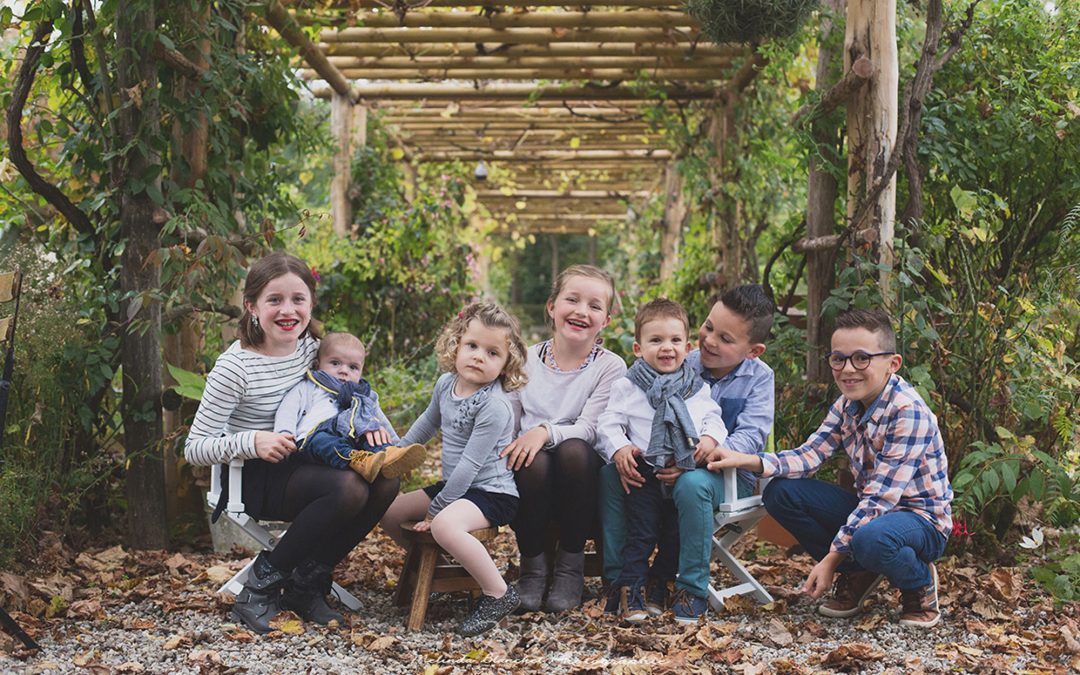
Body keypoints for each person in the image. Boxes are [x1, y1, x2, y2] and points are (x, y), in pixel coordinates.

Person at [184, 253, 400, 634]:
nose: (288, 311)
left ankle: (306, 585)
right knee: (349, 488)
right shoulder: (234, 368)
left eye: (298, 299)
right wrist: (254, 441)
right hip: (251, 475)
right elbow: (195, 447)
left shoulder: (310, 349)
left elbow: (337, 397)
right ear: (251, 306)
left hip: (306, 461)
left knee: (386, 481)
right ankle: (257, 590)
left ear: (311, 304)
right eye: (274, 300)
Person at [709, 308, 952, 628]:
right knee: (780, 492)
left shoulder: (908, 413)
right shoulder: (847, 404)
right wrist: (751, 461)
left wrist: (830, 559)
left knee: (871, 539)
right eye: (839, 359)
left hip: (921, 522)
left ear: (892, 364)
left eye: (862, 358)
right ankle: (858, 573)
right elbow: (811, 454)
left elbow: (880, 500)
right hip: (873, 517)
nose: (848, 369)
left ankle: (918, 582)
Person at [598, 284, 776, 622]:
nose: (710, 341)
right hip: (660, 468)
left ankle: (690, 587)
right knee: (610, 474)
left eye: (725, 339)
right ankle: (620, 579)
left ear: (753, 351)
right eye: (709, 327)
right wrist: (623, 450)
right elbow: (627, 414)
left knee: (690, 484)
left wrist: (697, 458)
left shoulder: (759, 378)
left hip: (726, 472)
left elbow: (750, 437)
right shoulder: (677, 360)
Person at [380, 302, 529, 637]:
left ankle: (499, 594)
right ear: (457, 344)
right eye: (472, 346)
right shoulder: (446, 385)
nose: (478, 356)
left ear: (507, 364)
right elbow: (426, 425)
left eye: (492, 353)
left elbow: (471, 465)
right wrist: (396, 452)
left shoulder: (495, 406)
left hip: (492, 492)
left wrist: (435, 511)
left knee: (444, 526)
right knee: (390, 512)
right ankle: (443, 571)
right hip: (456, 486)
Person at [501, 265, 627, 613]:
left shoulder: (611, 367)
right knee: (532, 458)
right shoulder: (523, 360)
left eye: (594, 305)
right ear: (552, 307)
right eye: (572, 299)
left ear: (607, 320)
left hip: (582, 486)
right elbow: (508, 426)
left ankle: (570, 569)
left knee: (573, 449)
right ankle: (533, 570)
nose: (581, 311)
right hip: (529, 485)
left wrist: (543, 432)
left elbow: (591, 428)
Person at [596, 298, 728, 622]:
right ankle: (632, 588)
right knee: (641, 533)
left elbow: (714, 420)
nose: (666, 348)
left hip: (683, 471)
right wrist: (620, 448)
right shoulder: (628, 386)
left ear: (688, 346)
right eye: (656, 340)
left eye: (674, 340)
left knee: (674, 533)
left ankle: (660, 583)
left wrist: (709, 441)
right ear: (639, 348)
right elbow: (609, 422)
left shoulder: (696, 388)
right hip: (645, 473)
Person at [273, 331, 425, 482]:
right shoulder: (310, 387)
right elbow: (288, 409)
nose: (344, 371)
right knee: (325, 441)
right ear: (318, 364)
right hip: (313, 439)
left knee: (370, 432)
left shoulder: (364, 395)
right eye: (335, 363)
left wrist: (396, 444)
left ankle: (390, 457)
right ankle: (359, 461)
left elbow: (380, 421)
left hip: (352, 439)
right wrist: (284, 434)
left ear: (361, 371)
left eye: (353, 367)